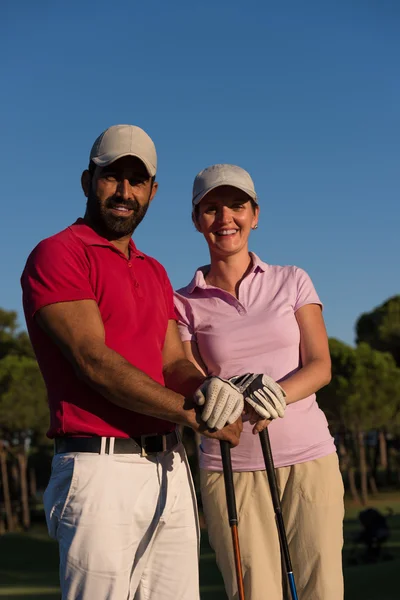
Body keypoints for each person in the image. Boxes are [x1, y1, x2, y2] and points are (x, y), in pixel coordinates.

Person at [20, 127, 244, 600]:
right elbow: (93, 361)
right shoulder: (57, 254)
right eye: (112, 177)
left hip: (169, 467)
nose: (125, 192)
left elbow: (174, 362)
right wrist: (192, 415)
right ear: (87, 181)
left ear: (152, 192)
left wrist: (210, 391)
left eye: (137, 181)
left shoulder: (154, 270)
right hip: (98, 471)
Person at [174, 164, 345, 600]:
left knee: (322, 590)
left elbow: (320, 364)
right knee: (255, 593)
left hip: (309, 459)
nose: (225, 218)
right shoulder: (182, 302)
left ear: (255, 213)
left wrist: (277, 394)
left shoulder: (293, 279)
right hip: (230, 469)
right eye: (211, 208)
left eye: (236, 206)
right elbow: (187, 373)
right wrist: (212, 391)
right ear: (196, 221)